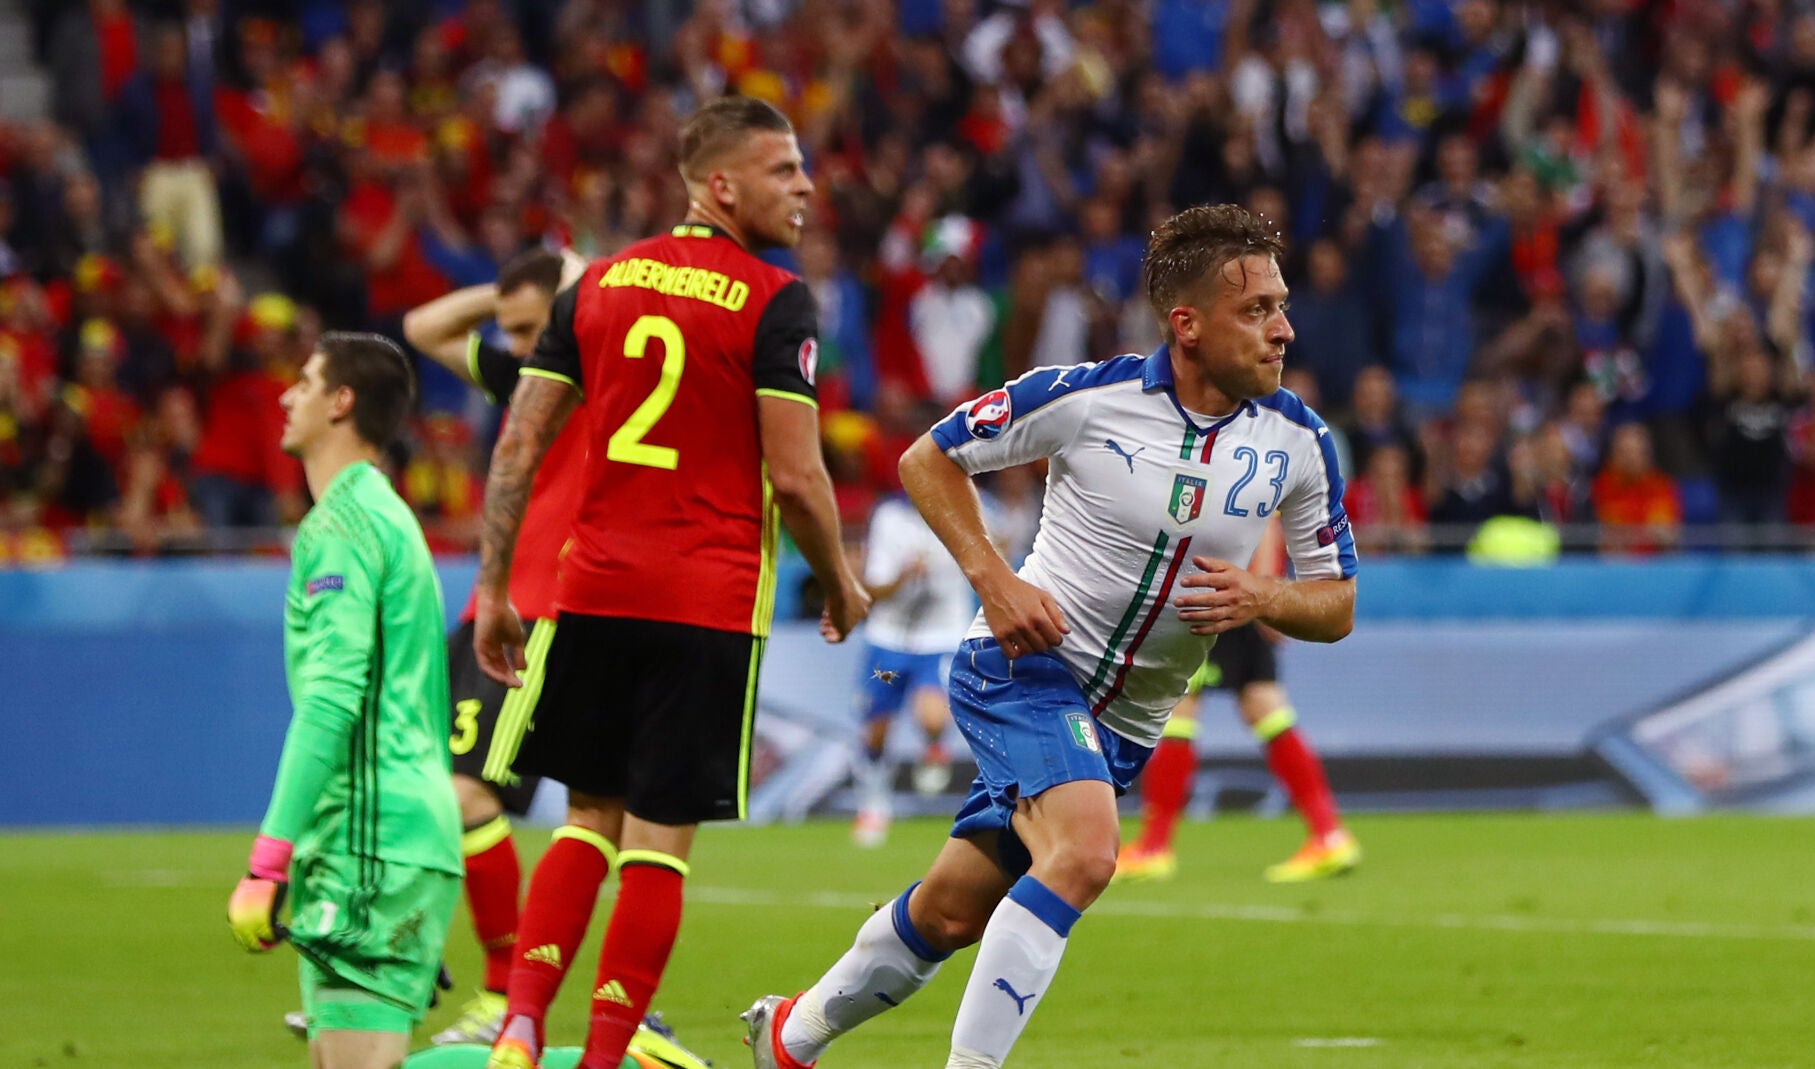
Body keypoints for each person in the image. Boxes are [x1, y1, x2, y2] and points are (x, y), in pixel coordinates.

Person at [744, 204, 1358, 1069]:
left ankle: (789, 1036)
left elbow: (1336, 605)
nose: (1284, 329)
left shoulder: (1300, 441)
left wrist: (1265, 592)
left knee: (951, 912)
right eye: (1258, 309)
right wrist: (996, 580)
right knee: (1085, 853)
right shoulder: (1085, 397)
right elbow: (928, 458)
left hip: (1128, 725)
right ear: (1187, 324)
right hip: (1025, 667)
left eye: (1281, 306)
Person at [472, 95, 871, 1069]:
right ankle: (605, 1054)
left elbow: (519, 440)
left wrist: (492, 587)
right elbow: (797, 474)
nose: (807, 186)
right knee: (658, 838)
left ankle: (519, 1027)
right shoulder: (776, 299)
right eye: (784, 171)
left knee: (583, 818)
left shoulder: (597, 284)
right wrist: (842, 582)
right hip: (705, 600)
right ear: (720, 185)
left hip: (594, 590)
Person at [226, 332, 463, 1069]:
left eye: (304, 380)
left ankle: (604, 1060)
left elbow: (332, 700)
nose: (286, 395)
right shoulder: (384, 514)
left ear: (342, 401)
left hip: (371, 837)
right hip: (383, 833)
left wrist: (268, 858)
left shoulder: (342, 528)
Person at [399, 247, 583, 1045]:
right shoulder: (521, 377)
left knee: (469, 798)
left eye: (525, 329)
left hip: (542, 619)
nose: (510, 345)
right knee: (431, 794)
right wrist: (509, 298)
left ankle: (504, 1000)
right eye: (505, 331)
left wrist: (568, 294)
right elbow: (420, 326)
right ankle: (408, 974)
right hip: (487, 611)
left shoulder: (596, 378)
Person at [1114, 514, 1362, 884]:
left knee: (1180, 708)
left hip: (1225, 596)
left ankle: (1154, 847)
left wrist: (1262, 595)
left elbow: (1267, 520)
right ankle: (1329, 834)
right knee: (1265, 707)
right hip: (1242, 594)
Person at [850, 492, 972, 848]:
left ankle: (934, 748)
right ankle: (873, 804)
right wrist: (904, 575)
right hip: (889, 639)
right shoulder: (890, 519)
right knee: (875, 732)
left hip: (940, 636)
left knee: (933, 716)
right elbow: (875, 588)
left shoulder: (964, 507)